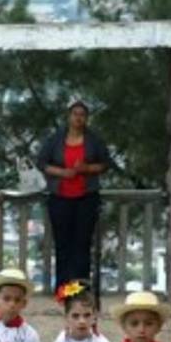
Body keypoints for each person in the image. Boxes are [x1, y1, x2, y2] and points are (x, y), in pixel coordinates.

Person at [37, 100, 112, 289]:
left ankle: (79, 288)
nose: (78, 118)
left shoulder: (94, 140)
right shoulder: (55, 139)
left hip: (86, 197)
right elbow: (42, 163)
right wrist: (62, 173)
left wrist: (86, 168)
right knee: (63, 243)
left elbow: (104, 164)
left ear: (86, 118)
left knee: (82, 243)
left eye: (82, 115)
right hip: (60, 197)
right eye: (75, 114)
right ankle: (63, 288)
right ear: (69, 116)